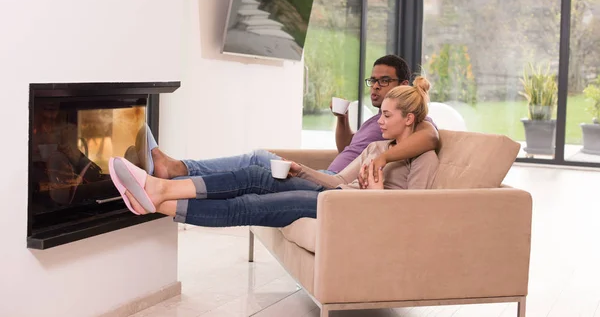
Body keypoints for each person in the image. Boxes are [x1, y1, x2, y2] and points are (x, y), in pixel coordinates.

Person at [108, 77, 439, 228]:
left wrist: (376, 195)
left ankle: (156, 196)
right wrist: (301, 170)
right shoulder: (377, 146)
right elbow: (337, 179)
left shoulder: (424, 158)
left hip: (350, 211)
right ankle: (159, 193)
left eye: (387, 115)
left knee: (249, 206)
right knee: (255, 173)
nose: (379, 120)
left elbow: (411, 215)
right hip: (336, 194)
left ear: (409, 119)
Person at [147, 54, 439, 181]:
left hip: (332, 181)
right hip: (329, 176)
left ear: (403, 83)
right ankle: (177, 175)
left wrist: (382, 159)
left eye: (383, 81)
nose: (375, 86)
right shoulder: (378, 122)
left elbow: (431, 137)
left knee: (257, 160)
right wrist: (341, 118)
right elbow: (346, 148)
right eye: (372, 80)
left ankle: (178, 169)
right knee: (257, 164)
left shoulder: (411, 121)